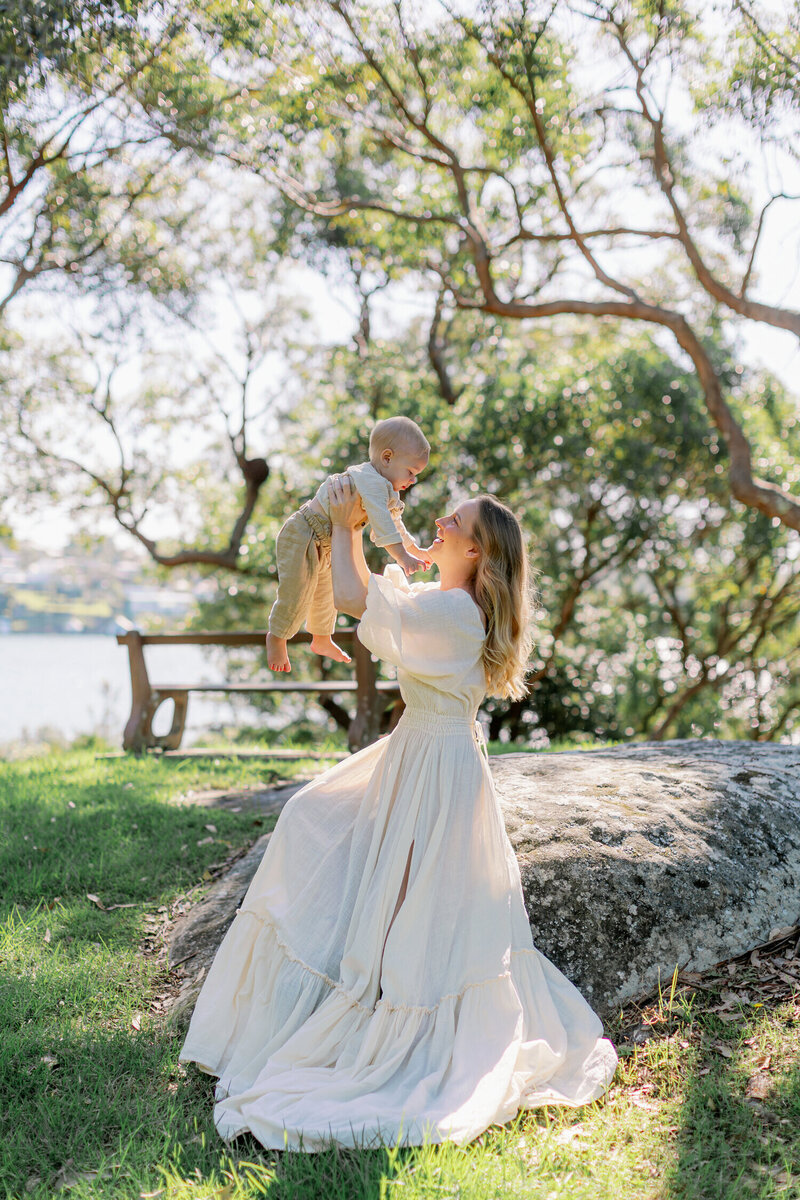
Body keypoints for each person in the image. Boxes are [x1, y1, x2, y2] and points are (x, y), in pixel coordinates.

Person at [179, 478, 618, 1150]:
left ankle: (390, 1016)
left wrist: (351, 519)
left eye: (455, 521)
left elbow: (356, 599)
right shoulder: (445, 602)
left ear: (476, 552)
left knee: (412, 898)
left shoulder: (455, 616)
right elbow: (368, 601)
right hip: (420, 750)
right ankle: (338, 992)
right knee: (311, 819)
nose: (439, 521)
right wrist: (354, 522)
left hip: (436, 767)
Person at [266, 416, 432, 673]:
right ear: (387, 458)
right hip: (303, 533)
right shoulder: (370, 480)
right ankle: (276, 637)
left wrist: (413, 549)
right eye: (411, 472)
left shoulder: (388, 489)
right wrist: (403, 558)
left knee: (326, 593)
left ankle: (321, 639)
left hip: (327, 541)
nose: (413, 480)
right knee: (298, 591)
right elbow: (383, 525)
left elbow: (395, 524)